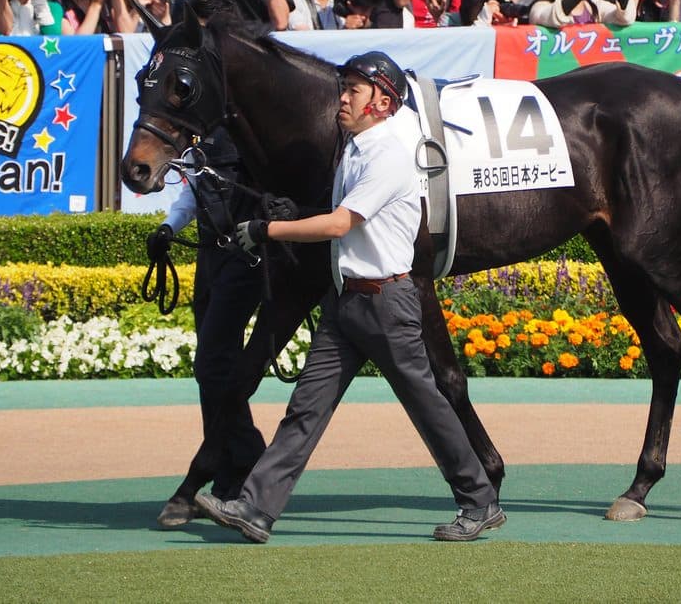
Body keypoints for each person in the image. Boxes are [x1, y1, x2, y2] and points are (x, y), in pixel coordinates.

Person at [196, 52, 505, 545]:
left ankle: (480, 500)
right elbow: (339, 216)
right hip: (348, 303)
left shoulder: (386, 153)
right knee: (305, 408)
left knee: (427, 405)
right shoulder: (356, 148)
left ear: (383, 101)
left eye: (354, 90)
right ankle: (256, 508)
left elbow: (342, 223)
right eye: (344, 87)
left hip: (386, 303)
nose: (342, 97)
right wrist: (293, 211)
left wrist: (266, 228)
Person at [147, 127, 270, 527]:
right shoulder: (202, 138)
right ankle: (234, 472)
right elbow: (193, 193)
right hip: (210, 259)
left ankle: (235, 460)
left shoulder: (246, 131)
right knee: (212, 372)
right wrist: (169, 227)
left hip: (247, 258)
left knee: (212, 364)